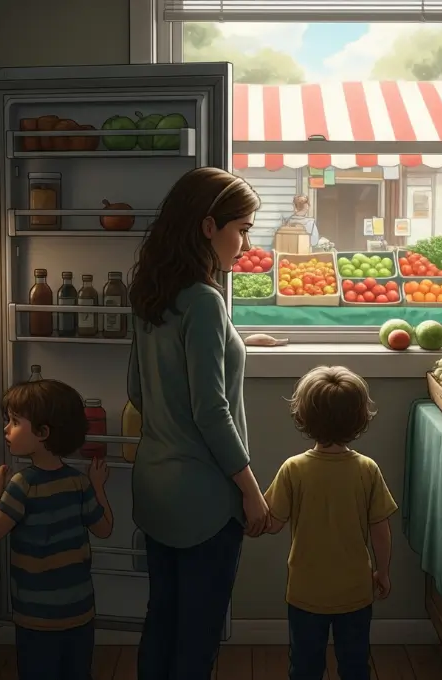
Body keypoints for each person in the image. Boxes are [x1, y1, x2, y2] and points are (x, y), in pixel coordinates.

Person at [126, 166, 267, 679]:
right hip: (204, 499)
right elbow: (212, 411)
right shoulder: (206, 302)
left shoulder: (151, 292)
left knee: (161, 621)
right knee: (199, 638)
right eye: (242, 229)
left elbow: (138, 390)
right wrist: (249, 489)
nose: (245, 243)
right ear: (209, 227)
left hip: (155, 486)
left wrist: (236, 349)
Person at [264, 366, 399, 680]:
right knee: (354, 666)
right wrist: (383, 571)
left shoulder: (293, 469)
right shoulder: (367, 469)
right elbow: (381, 530)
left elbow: (272, 523)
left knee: (305, 667)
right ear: (360, 418)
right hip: (355, 592)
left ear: (304, 417)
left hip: (305, 592)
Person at [0, 379, 114, 680]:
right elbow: (104, 528)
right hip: (79, 610)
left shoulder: (22, 485)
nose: (7, 429)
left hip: (35, 615)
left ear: (42, 433)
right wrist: (98, 486)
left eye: (15, 422)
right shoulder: (78, 482)